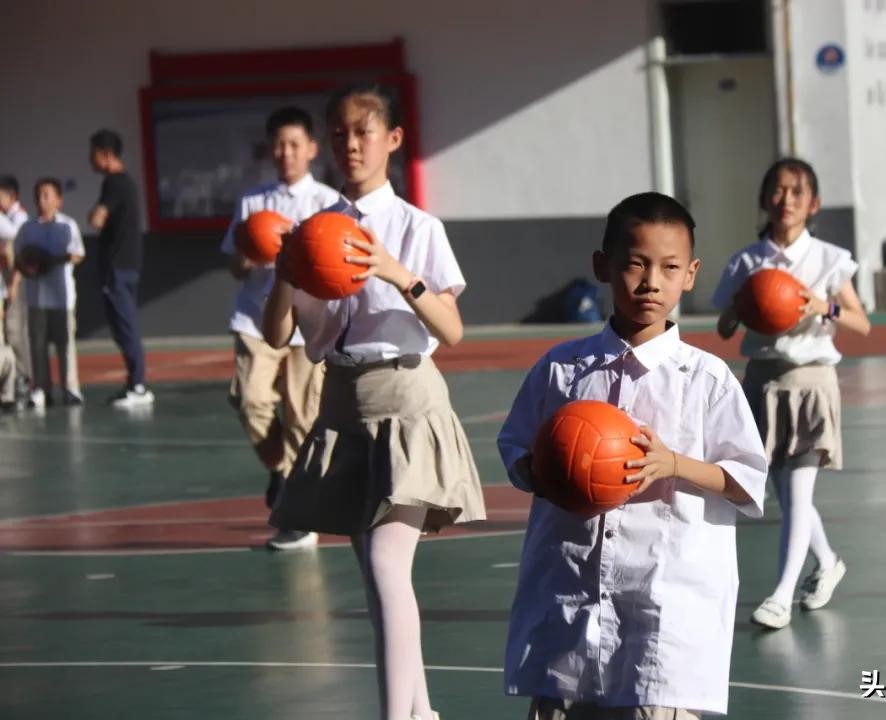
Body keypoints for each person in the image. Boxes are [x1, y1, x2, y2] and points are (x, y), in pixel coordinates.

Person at [498, 191, 768, 718]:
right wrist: (549, 468)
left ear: (690, 275)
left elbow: (747, 479)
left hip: (663, 613)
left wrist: (674, 465)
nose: (650, 282)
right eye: (635, 264)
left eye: (668, 268)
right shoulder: (562, 369)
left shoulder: (707, 380)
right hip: (569, 609)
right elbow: (516, 448)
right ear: (603, 266)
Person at [263, 84, 486, 720]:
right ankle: (421, 712)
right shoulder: (311, 234)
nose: (351, 144)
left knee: (388, 566)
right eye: (339, 133)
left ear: (392, 139)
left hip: (409, 400)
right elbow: (280, 335)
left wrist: (395, 272)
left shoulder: (419, 227)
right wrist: (283, 271)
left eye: (363, 131)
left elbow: (451, 329)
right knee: (379, 580)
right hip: (341, 405)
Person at [713, 157, 871, 630]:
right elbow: (724, 328)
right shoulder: (745, 262)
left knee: (800, 489)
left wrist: (827, 308)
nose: (786, 200)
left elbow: (861, 323)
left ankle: (781, 596)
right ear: (765, 199)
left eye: (796, 192)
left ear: (813, 203)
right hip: (763, 380)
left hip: (810, 382)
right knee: (784, 491)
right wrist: (744, 307)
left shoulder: (828, 259)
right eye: (778, 191)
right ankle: (828, 562)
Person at [221, 106, 339, 550]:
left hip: (308, 323)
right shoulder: (252, 203)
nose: (286, 153)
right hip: (256, 317)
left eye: (295, 144)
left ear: (311, 148)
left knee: (303, 416)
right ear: (270, 150)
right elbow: (234, 265)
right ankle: (279, 470)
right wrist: (250, 254)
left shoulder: (327, 200)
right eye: (279, 145)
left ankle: (298, 512)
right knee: (249, 399)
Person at [88, 128, 153, 408]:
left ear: (105, 154)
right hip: (126, 265)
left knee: (125, 325)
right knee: (122, 325)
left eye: (91, 154)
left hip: (118, 266)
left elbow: (96, 220)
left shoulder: (114, 183)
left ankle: (138, 386)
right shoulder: (124, 182)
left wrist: (94, 212)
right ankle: (133, 383)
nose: (89, 160)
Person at [13, 178, 86, 407]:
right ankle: (41, 389)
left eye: (46, 195)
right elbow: (19, 258)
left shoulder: (68, 225)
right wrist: (29, 266)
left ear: (58, 200)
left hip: (62, 298)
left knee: (65, 344)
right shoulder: (28, 228)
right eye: (38, 195)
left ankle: (71, 388)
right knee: (37, 343)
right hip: (36, 296)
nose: (41, 200)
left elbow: (78, 254)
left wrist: (53, 260)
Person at [0, 174, 31, 405]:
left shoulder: (20, 217)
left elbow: (14, 237)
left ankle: (23, 379)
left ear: (11, 195)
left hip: (14, 278)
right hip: (4, 278)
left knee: (15, 331)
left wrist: (13, 285)